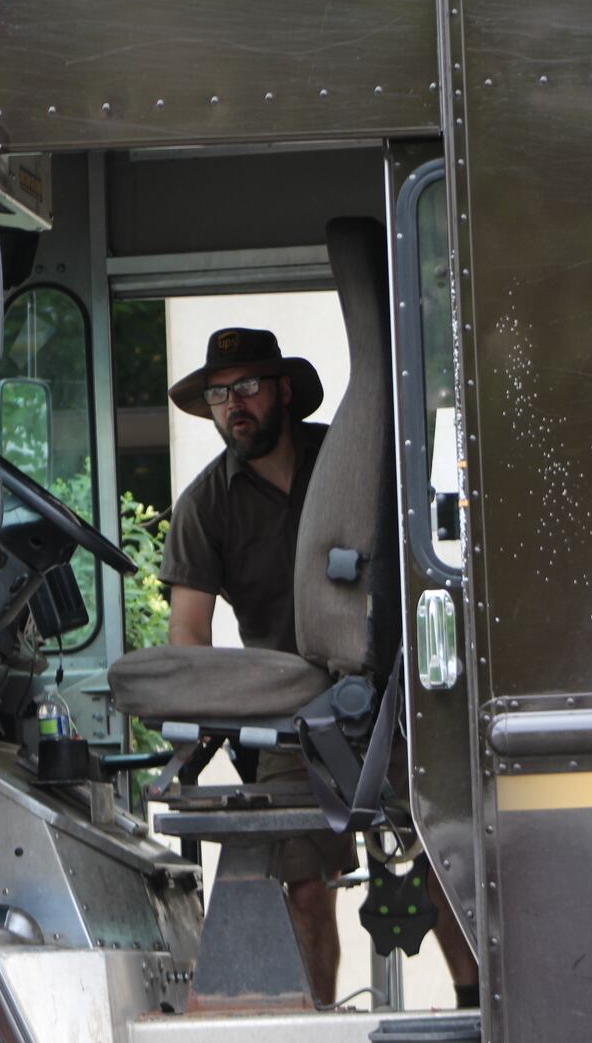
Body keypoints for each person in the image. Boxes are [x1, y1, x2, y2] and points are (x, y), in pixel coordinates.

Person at [158, 327, 480, 1009]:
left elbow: (435, 557)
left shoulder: (354, 463)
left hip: (394, 701)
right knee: (299, 886)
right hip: (287, 725)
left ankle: (478, 1008)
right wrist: (214, 716)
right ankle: (315, 1022)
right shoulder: (204, 505)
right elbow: (189, 631)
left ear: (282, 392)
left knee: (445, 865)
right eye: (218, 394)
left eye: (246, 387)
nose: (232, 406)